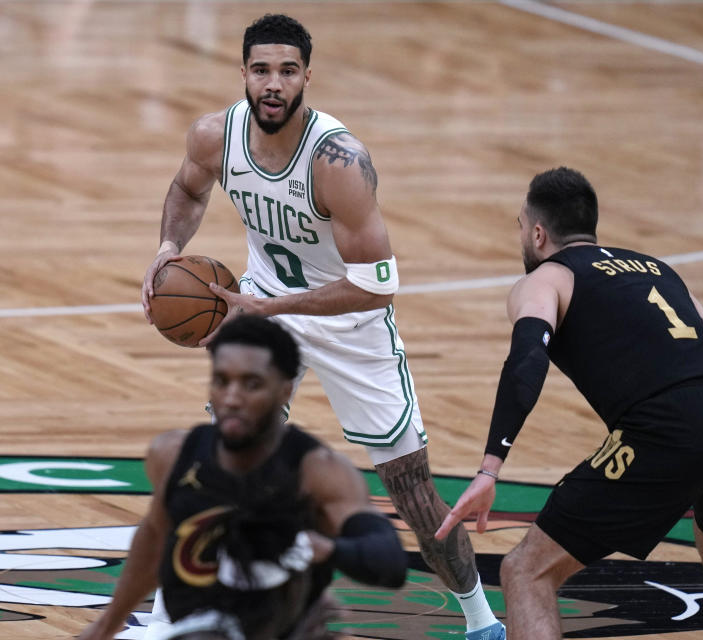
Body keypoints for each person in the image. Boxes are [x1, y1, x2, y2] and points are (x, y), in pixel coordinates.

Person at [139, 13, 504, 640]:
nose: (273, 84)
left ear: (307, 76)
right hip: (263, 306)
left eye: (286, 70)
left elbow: (377, 283)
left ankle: (482, 623)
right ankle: (166, 622)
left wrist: (272, 310)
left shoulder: (339, 161)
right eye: (261, 70)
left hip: (349, 321)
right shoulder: (213, 136)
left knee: (411, 492)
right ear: (245, 75)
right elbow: (187, 189)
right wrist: (168, 246)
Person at [435, 167, 703, 640]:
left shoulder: (547, 278)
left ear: (538, 233)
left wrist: (490, 467)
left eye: (520, 226)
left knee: (526, 570)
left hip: (671, 425)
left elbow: (526, 361)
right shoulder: (657, 269)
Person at [79, 315, 408, 640]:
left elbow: (389, 559)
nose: (233, 398)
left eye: (251, 384)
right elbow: (153, 537)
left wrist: (326, 548)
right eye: (222, 381)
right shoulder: (173, 453)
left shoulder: (317, 472)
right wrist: (107, 625)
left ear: (284, 390)